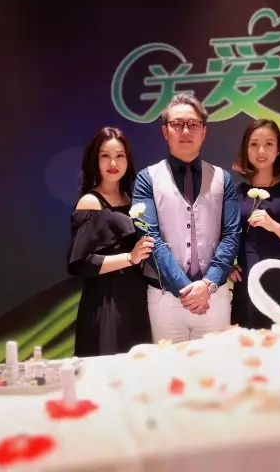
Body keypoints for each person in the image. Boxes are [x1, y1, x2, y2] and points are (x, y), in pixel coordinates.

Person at [132, 93, 241, 343]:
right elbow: (150, 237)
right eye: (177, 124)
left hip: (213, 295)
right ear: (165, 131)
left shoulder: (223, 179)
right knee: (169, 365)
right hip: (165, 299)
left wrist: (207, 285)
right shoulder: (147, 178)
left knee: (214, 365)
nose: (185, 131)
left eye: (193, 124)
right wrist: (185, 290)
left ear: (204, 131)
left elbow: (232, 235)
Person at [67, 126, 154, 356]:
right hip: (107, 301)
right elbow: (80, 263)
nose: (113, 163)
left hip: (136, 297)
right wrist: (130, 257)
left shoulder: (132, 199)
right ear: (95, 160)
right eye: (105, 155)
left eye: (119, 156)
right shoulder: (90, 202)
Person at [229, 119, 280, 329]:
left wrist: (274, 226)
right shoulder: (234, 193)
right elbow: (225, 239)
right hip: (247, 282)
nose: (261, 151)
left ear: (278, 150)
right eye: (254, 144)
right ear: (246, 149)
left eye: (269, 144)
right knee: (247, 344)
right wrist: (227, 266)